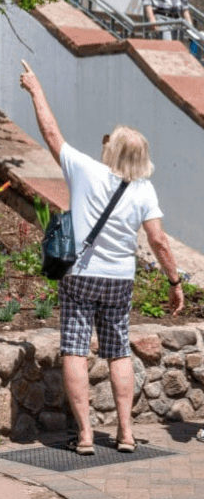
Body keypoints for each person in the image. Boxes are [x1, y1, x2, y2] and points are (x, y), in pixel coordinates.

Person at [19, 59, 184, 454]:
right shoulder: (144, 191)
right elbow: (159, 241)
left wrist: (36, 89)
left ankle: (88, 436)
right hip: (119, 280)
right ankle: (126, 433)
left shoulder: (87, 171)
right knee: (118, 352)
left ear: (113, 151)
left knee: (75, 349)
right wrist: (175, 283)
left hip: (81, 275)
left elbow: (51, 132)